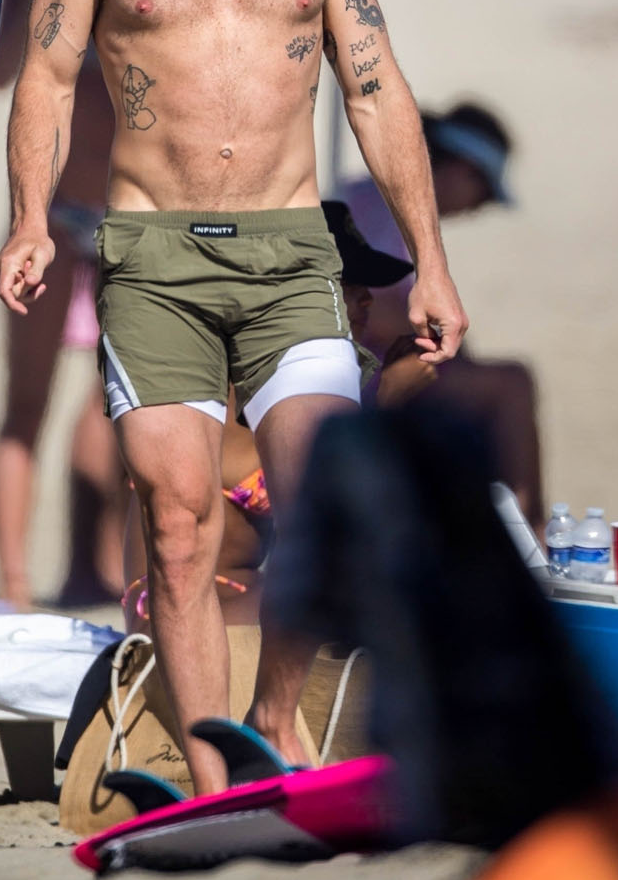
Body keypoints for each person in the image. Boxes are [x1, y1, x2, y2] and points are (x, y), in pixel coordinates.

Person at [0, 0, 467, 794]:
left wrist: (432, 263)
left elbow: (374, 88)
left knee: (316, 499)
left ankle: (274, 718)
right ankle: (215, 778)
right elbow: (47, 78)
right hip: (152, 257)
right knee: (178, 523)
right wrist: (28, 222)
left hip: (292, 252)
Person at [121, 199, 432, 630]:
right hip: (171, 612)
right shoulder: (238, 380)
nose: (367, 297)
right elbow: (333, 519)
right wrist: (390, 402)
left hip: (234, 599)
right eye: (345, 282)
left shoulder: (293, 376)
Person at [0, 0, 125, 609]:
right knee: (26, 403)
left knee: (118, 398)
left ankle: (99, 568)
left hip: (127, 214)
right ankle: (14, 586)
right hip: (53, 216)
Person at [340, 101, 544, 529]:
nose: (479, 207)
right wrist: (450, 346)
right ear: (463, 169)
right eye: (484, 191)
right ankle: (532, 532)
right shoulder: (382, 206)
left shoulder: (377, 201)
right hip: (361, 381)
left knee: (488, 386)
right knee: (510, 386)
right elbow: (375, 311)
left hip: (369, 372)